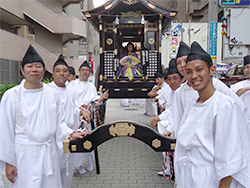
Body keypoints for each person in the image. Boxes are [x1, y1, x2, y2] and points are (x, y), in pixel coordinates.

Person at [0, 45, 89, 187]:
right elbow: (5, 131)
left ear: (43, 70)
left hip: (49, 153)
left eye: (38, 66)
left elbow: (59, 123)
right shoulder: (12, 96)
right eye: (29, 66)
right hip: (25, 155)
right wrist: (9, 162)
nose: (34, 69)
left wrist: (71, 133)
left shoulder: (51, 94)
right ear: (23, 70)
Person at [174, 41, 250, 188]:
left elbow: (229, 160)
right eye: (189, 72)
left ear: (211, 70)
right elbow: (183, 149)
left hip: (209, 180)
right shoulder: (191, 104)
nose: (194, 76)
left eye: (199, 69)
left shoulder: (224, 105)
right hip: (187, 178)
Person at [173, 41, 248, 136]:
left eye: (199, 69)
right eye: (178, 63)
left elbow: (240, 106)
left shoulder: (217, 88)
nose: (182, 65)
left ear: (211, 70)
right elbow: (178, 120)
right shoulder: (181, 94)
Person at [47, 55, 91, 188]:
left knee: (67, 170)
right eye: (58, 71)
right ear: (53, 73)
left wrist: (81, 111)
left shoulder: (70, 89)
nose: (62, 74)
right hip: (54, 139)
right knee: (54, 174)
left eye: (65, 71)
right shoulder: (47, 90)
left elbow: (73, 107)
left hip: (70, 135)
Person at [68, 60, 109, 174]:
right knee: (78, 140)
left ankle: (91, 162)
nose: (85, 72)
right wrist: (80, 108)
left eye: (87, 70)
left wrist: (103, 97)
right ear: (79, 72)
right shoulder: (73, 84)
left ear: (90, 72)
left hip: (89, 117)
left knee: (90, 138)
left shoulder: (91, 86)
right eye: (83, 70)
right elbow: (70, 100)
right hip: (77, 115)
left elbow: (95, 101)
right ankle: (79, 166)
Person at [150, 60, 183, 176]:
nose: (172, 82)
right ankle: (169, 169)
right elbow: (172, 110)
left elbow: (178, 113)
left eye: (175, 78)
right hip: (173, 124)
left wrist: (169, 129)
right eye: (169, 79)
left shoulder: (185, 92)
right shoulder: (173, 91)